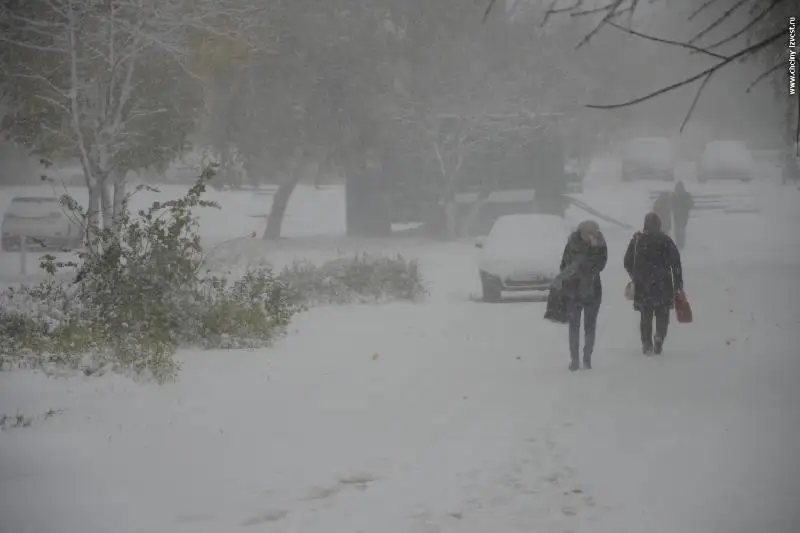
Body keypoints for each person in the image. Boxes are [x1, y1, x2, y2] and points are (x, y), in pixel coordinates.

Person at [623, 212, 683, 355]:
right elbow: (676, 263)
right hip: (663, 283)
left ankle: (647, 344)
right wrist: (678, 284)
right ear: (659, 225)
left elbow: (627, 261)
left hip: (643, 284)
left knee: (646, 315)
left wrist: (635, 275)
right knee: (663, 314)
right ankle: (659, 336)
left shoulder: (638, 240)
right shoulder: (665, 240)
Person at [556, 219, 608, 371]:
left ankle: (587, 358)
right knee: (574, 326)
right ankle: (574, 359)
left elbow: (600, 265)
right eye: (588, 233)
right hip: (574, 291)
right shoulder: (572, 244)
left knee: (589, 327)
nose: (591, 236)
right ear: (581, 233)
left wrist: (594, 249)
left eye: (594, 234)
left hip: (593, 291)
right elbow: (564, 265)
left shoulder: (600, 245)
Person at [671, 181, 693, 250]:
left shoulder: (685, 195)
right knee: (678, 230)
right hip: (678, 215)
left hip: (682, 215)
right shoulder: (675, 195)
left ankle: (680, 244)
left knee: (680, 230)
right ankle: (679, 243)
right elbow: (672, 204)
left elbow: (690, 204)